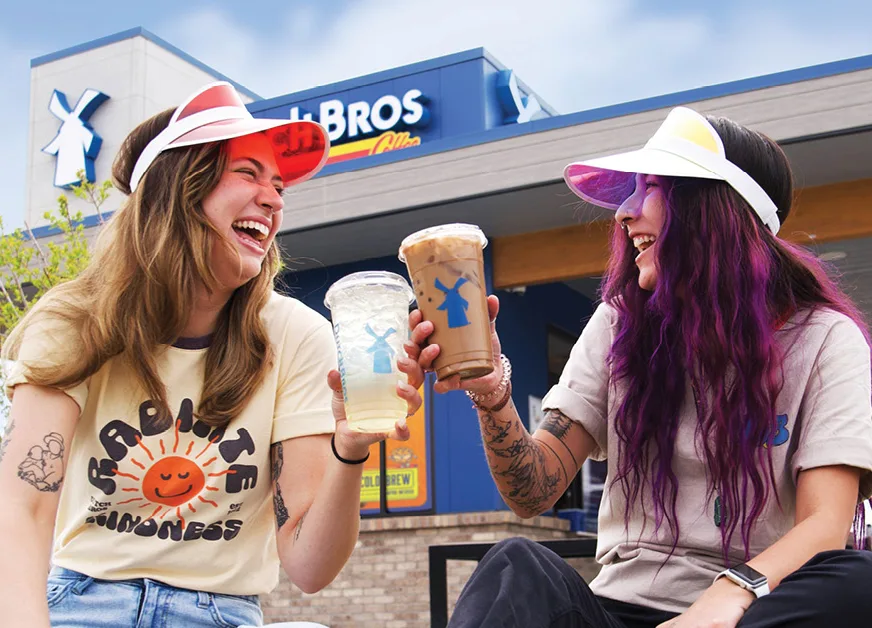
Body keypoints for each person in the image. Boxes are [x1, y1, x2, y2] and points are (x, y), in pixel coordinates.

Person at [407, 106, 872, 627]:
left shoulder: (826, 339)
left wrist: (726, 596)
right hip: (617, 611)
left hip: (746, 611)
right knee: (516, 564)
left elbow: (826, 525)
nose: (624, 213)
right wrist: (492, 393)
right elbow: (533, 492)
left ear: (715, 210)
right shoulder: (619, 323)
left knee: (860, 580)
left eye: (652, 188)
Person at [0, 81, 422, 628]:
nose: (272, 199)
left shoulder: (297, 336)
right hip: (81, 605)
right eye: (248, 173)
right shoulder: (74, 321)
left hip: (218, 614)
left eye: (278, 186)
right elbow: (23, 507)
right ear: (178, 189)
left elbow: (310, 568)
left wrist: (349, 449)